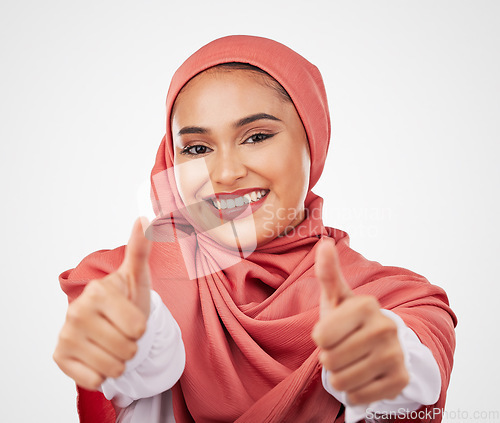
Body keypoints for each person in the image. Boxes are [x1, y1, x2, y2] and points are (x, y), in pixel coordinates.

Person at [53, 35, 457, 423]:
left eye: (257, 136)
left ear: (312, 143)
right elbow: (142, 358)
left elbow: (414, 368)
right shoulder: (124, 283)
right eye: (197, 148)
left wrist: (381, 360)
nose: (226, 173)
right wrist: (125, 336)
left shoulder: (396, 300)